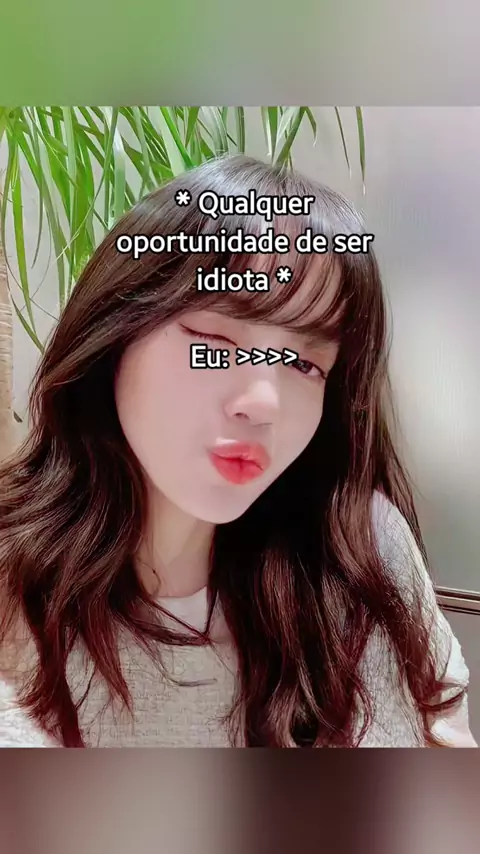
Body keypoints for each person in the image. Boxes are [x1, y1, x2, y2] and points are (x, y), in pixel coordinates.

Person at [0, 154, 476, 748]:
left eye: (304, 363)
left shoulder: (362, 548)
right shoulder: (15, 598)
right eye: (213, 339)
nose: (263, 401)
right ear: (114, 335)